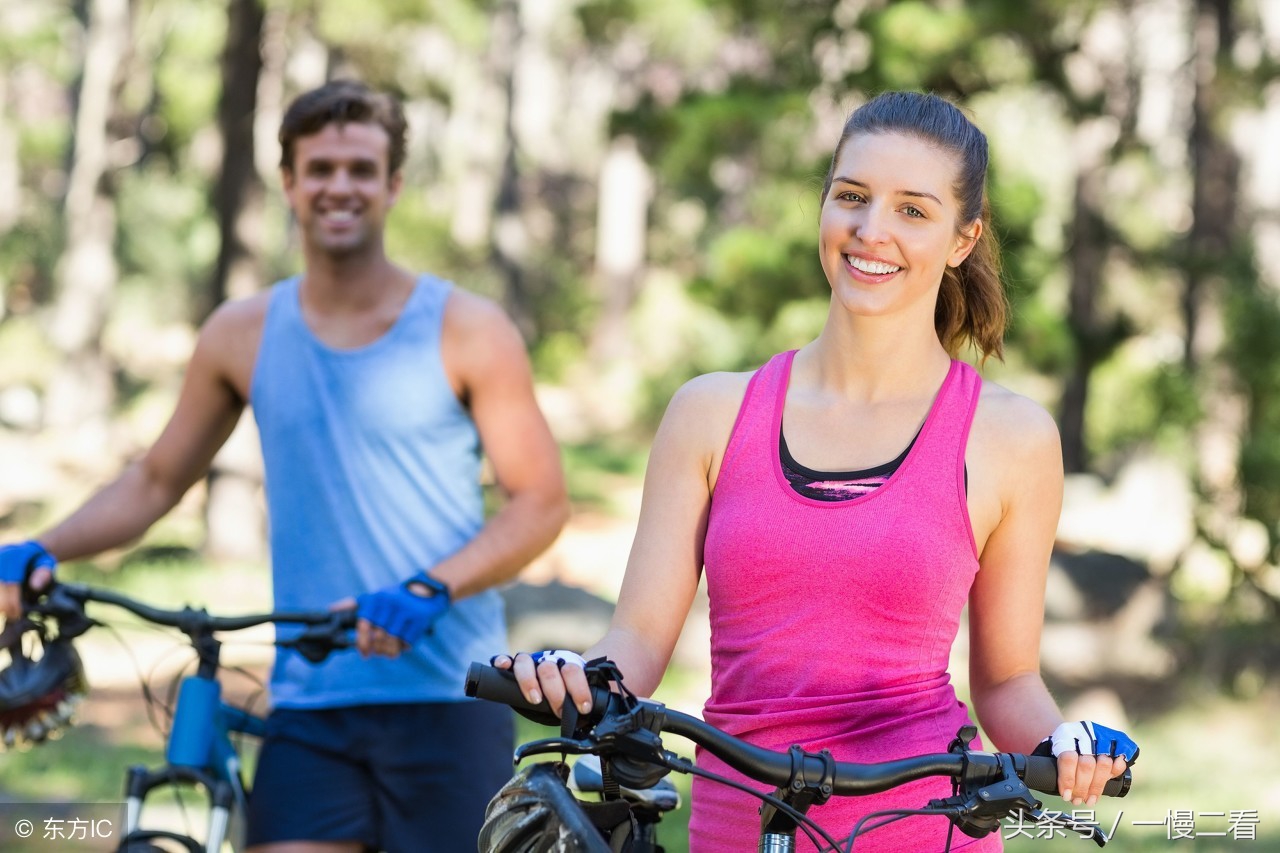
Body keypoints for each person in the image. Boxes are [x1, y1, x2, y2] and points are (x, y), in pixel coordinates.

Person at [496, 91, 1137, 851]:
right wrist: (577, 675)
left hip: (922, 829)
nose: (872, 232)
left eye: (913, 211)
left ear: (964, 239)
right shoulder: (711, 413)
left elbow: (1006, 682)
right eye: (853, 197)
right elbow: (633, 642)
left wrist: (1066, 744)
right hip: (738, 825)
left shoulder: (1011, 437)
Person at [0, 79, 570, 852]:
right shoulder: (239, 334)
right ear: (290, 182)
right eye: (322, 167)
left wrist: (427, 587)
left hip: (451, 692)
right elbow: (156, 479)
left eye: (362, 168)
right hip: (309, 702)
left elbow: (538, 502)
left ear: (393, 184)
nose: (341, 185)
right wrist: (45, 547)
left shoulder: (468, 328)